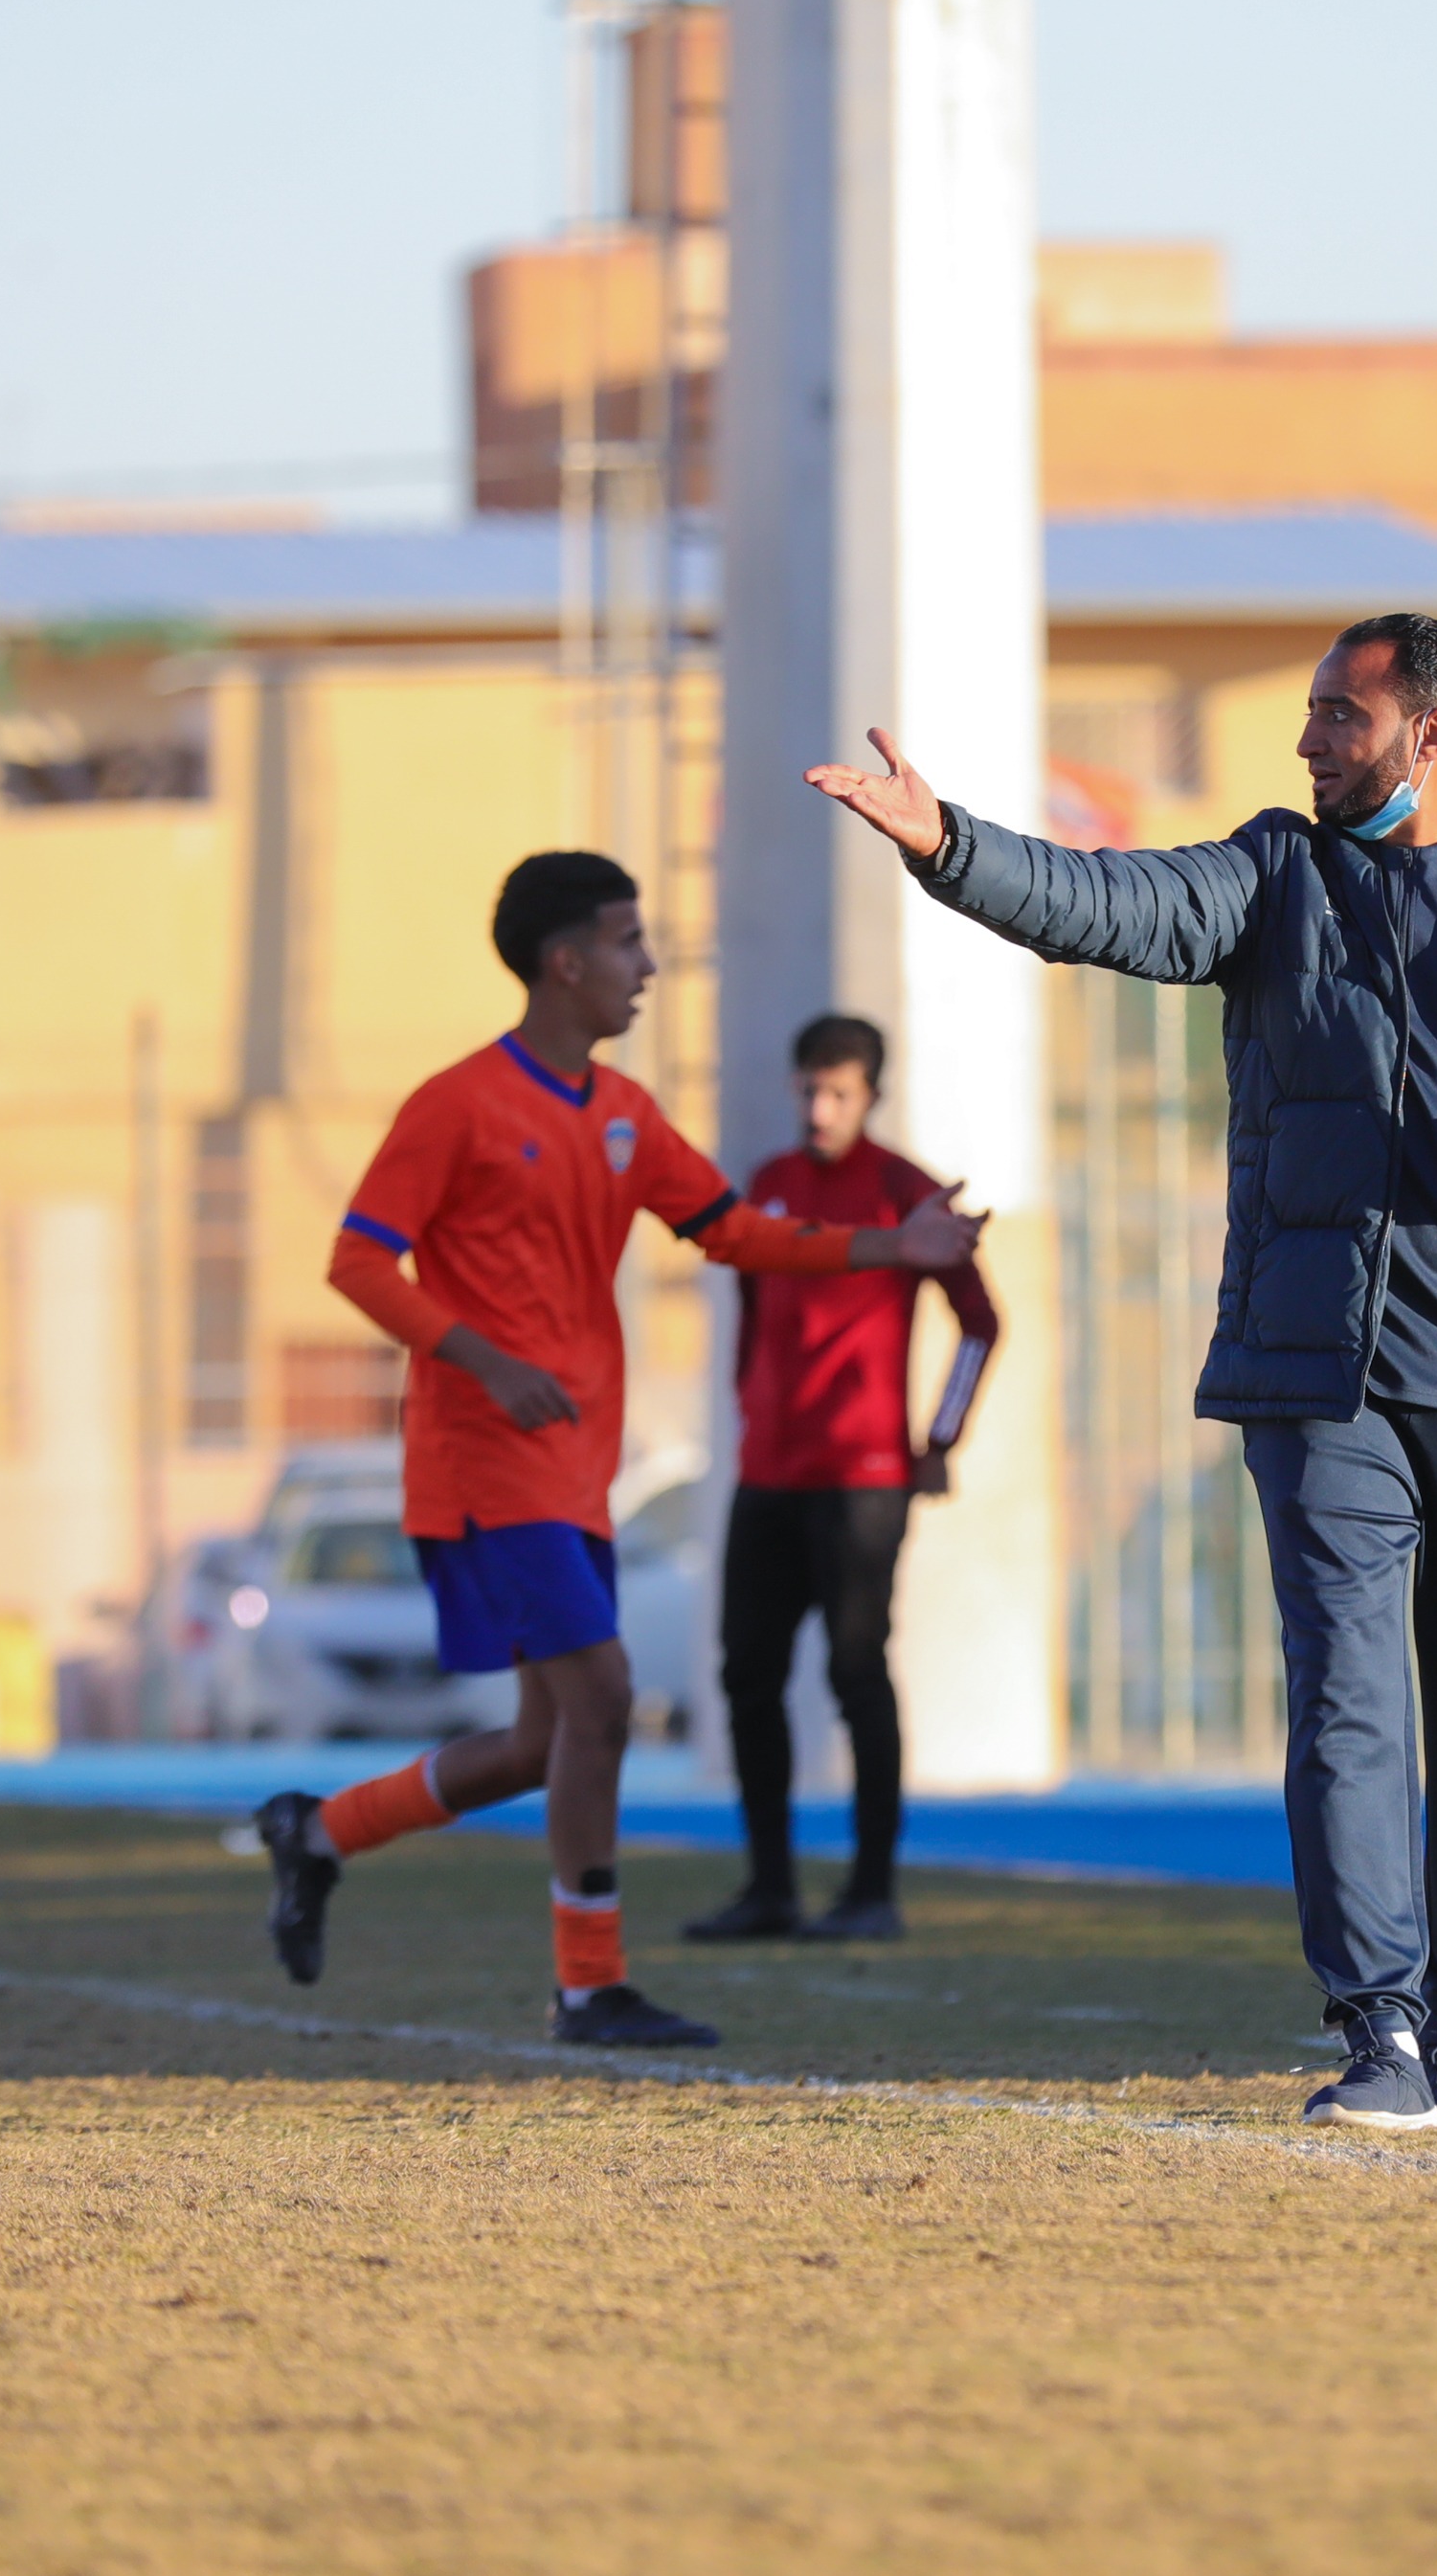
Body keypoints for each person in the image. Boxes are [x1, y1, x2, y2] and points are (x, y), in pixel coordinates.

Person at [807, 612, 1437, 2129]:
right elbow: (1104, 904)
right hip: (1321, 1382)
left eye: (1338, 717)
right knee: (1348, 1697)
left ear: (1430, 738)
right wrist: (948, 846)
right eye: (1309, 713)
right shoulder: (1274, 876)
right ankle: (1375, 2023)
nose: (1308, 740)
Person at [252, 851, 983, 2049]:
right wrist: (483, 1360)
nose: (649, 966)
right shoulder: (456, 1105)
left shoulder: (628, 1116)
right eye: (631, 942)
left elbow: (735, 1231)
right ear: (567, 961)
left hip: (575, 1463)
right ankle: (589, 1986)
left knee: (549, 1738)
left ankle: (319, 1833)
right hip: (484, 1459)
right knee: (602, 1699)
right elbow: (356, 1262)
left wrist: (887, 1248)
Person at [682, 1013, 1000, 1946]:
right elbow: (748, 1298)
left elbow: (981, 1324)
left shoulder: (909, 1197)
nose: (819, 1110)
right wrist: (750, 1405)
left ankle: (870, 1892)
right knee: (747, 1673)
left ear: (870, 1095)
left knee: (856, 1672)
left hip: (862, 1479)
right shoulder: (774, 1186)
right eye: (808, 1091)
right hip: (767, 1473)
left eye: (838, 1094)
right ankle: (770, 1887)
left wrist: (937, 1437)